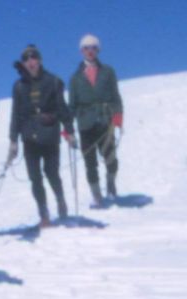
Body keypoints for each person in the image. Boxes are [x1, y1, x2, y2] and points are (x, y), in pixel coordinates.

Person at [8, 44, 77, 226]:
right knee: (34, 177)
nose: (30, 62)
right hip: (29, 135)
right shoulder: (18, 86)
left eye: (33, 58)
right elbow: (16, 114)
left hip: (49, 133)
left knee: (51, 172)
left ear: (39, 60)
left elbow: (62, 108)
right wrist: (13, 140)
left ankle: (61, 200)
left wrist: (69, 131)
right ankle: (43, 213)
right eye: (26, 59)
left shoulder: (53, 82)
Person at [68, 33, 124, 206]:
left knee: (111, 158)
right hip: (85, 124)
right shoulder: (75, 78)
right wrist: (68, 129)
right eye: (86, 48)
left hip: (105, 121)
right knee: (89, 163)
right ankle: (97, 195)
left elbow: (115, 96)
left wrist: (118, 117)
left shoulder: (108, 72)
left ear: (98, 50)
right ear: (81, 51)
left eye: (93, 47)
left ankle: (111, 183)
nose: (90, 51)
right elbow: (72, 105)